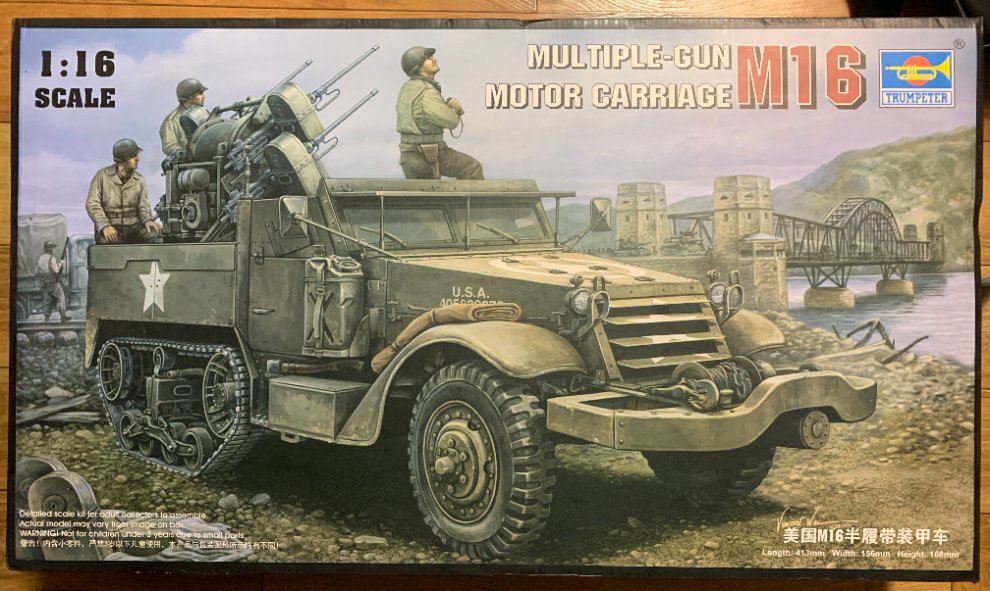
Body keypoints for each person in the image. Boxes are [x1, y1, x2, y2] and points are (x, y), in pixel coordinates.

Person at [396, 47, 483, 180]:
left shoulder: (408, 87)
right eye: (428, 58)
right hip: (427, 154)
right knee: (472, 167)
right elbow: (451, 122)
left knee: (426, 192)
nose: (434, 59)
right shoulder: (427, 93)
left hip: (409, 155)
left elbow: (421, 116)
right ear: (419, 68)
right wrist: (454, 109)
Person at [85, 139, 161, 244]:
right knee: (106, 244)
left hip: (135, 227)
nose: (138, 159)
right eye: (134, 156)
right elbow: (92, 204)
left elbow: (143, 204)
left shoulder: (139, 179)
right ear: (123, 159)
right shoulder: (102, 176)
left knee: (156, 235)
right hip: (112, 226)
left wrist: (147, 219)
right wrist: (104, 225)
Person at [160, 78, 207, 155]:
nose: (204, 96)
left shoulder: (204, 113)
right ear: (189, 98)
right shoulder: (171, 120)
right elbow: (169, 146)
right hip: (188, 161)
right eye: (200, 93)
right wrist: (179, 152)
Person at [35, 240, 69, 322]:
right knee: (61, 297)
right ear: (50, 249)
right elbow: (56, 270)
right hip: (53, 282)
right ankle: (63, 317)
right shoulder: (51, 257)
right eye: (53, 248)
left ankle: (47, 318)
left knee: (47, 300)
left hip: (44, 282)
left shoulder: (41, 257)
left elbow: (36, 271)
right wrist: (61, 263)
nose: (54, 249)